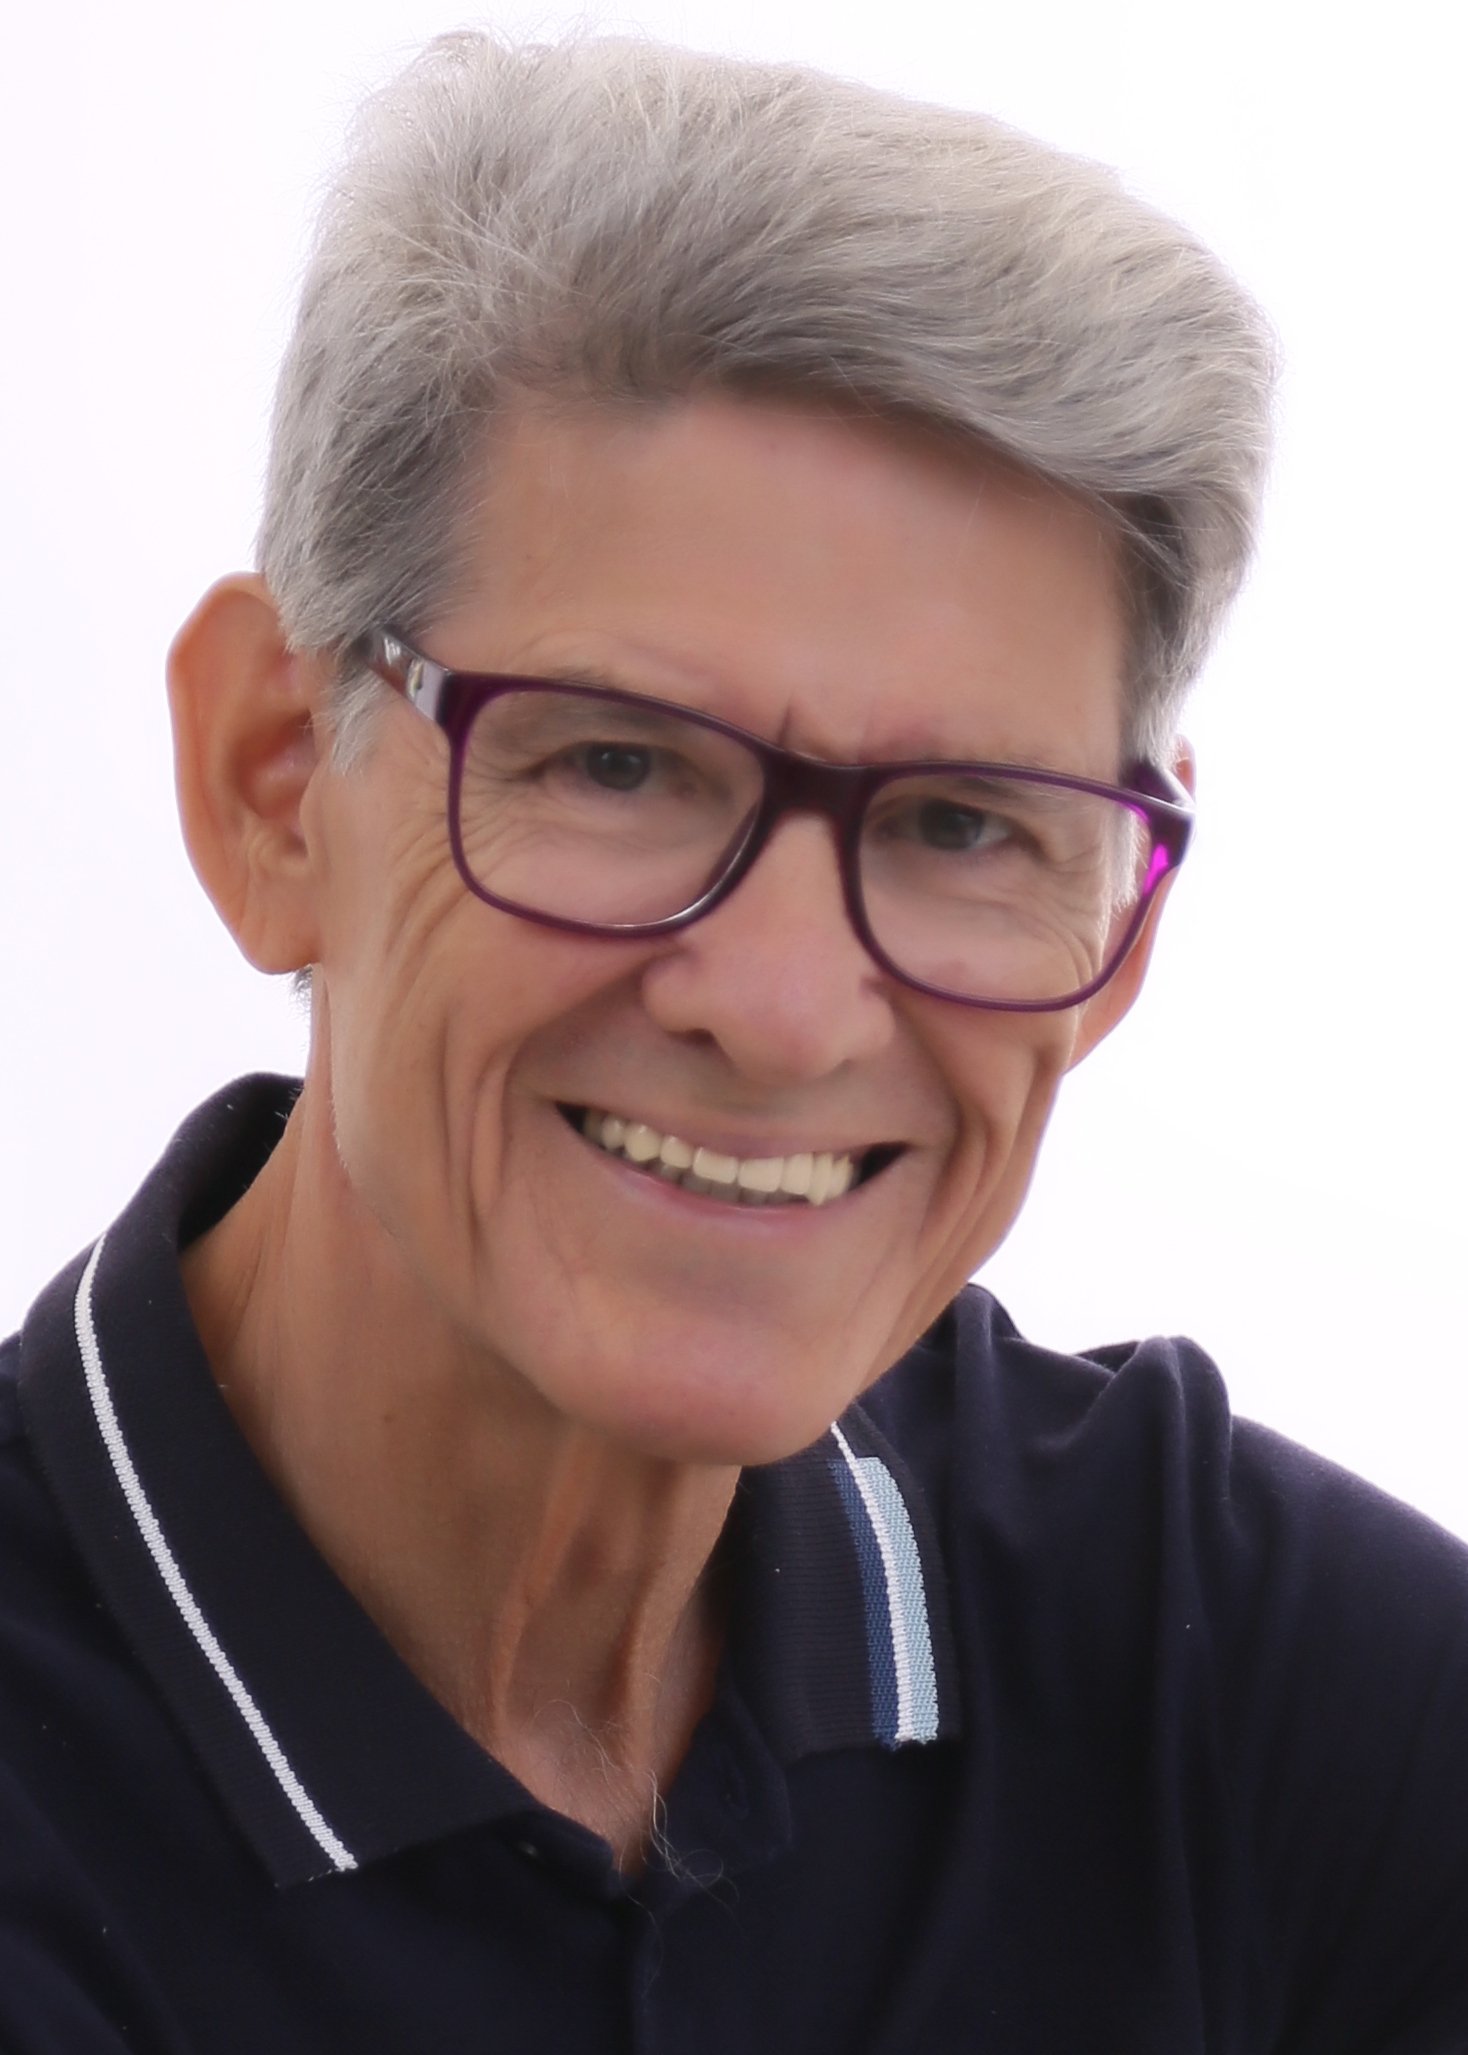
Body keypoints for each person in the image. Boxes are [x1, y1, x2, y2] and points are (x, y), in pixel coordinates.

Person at [2, 29, 1465, 2053]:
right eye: (616, 765)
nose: (781, 1014)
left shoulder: (1258, 1700)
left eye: (963, 826)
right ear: (273, 784)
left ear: (1117, 927)